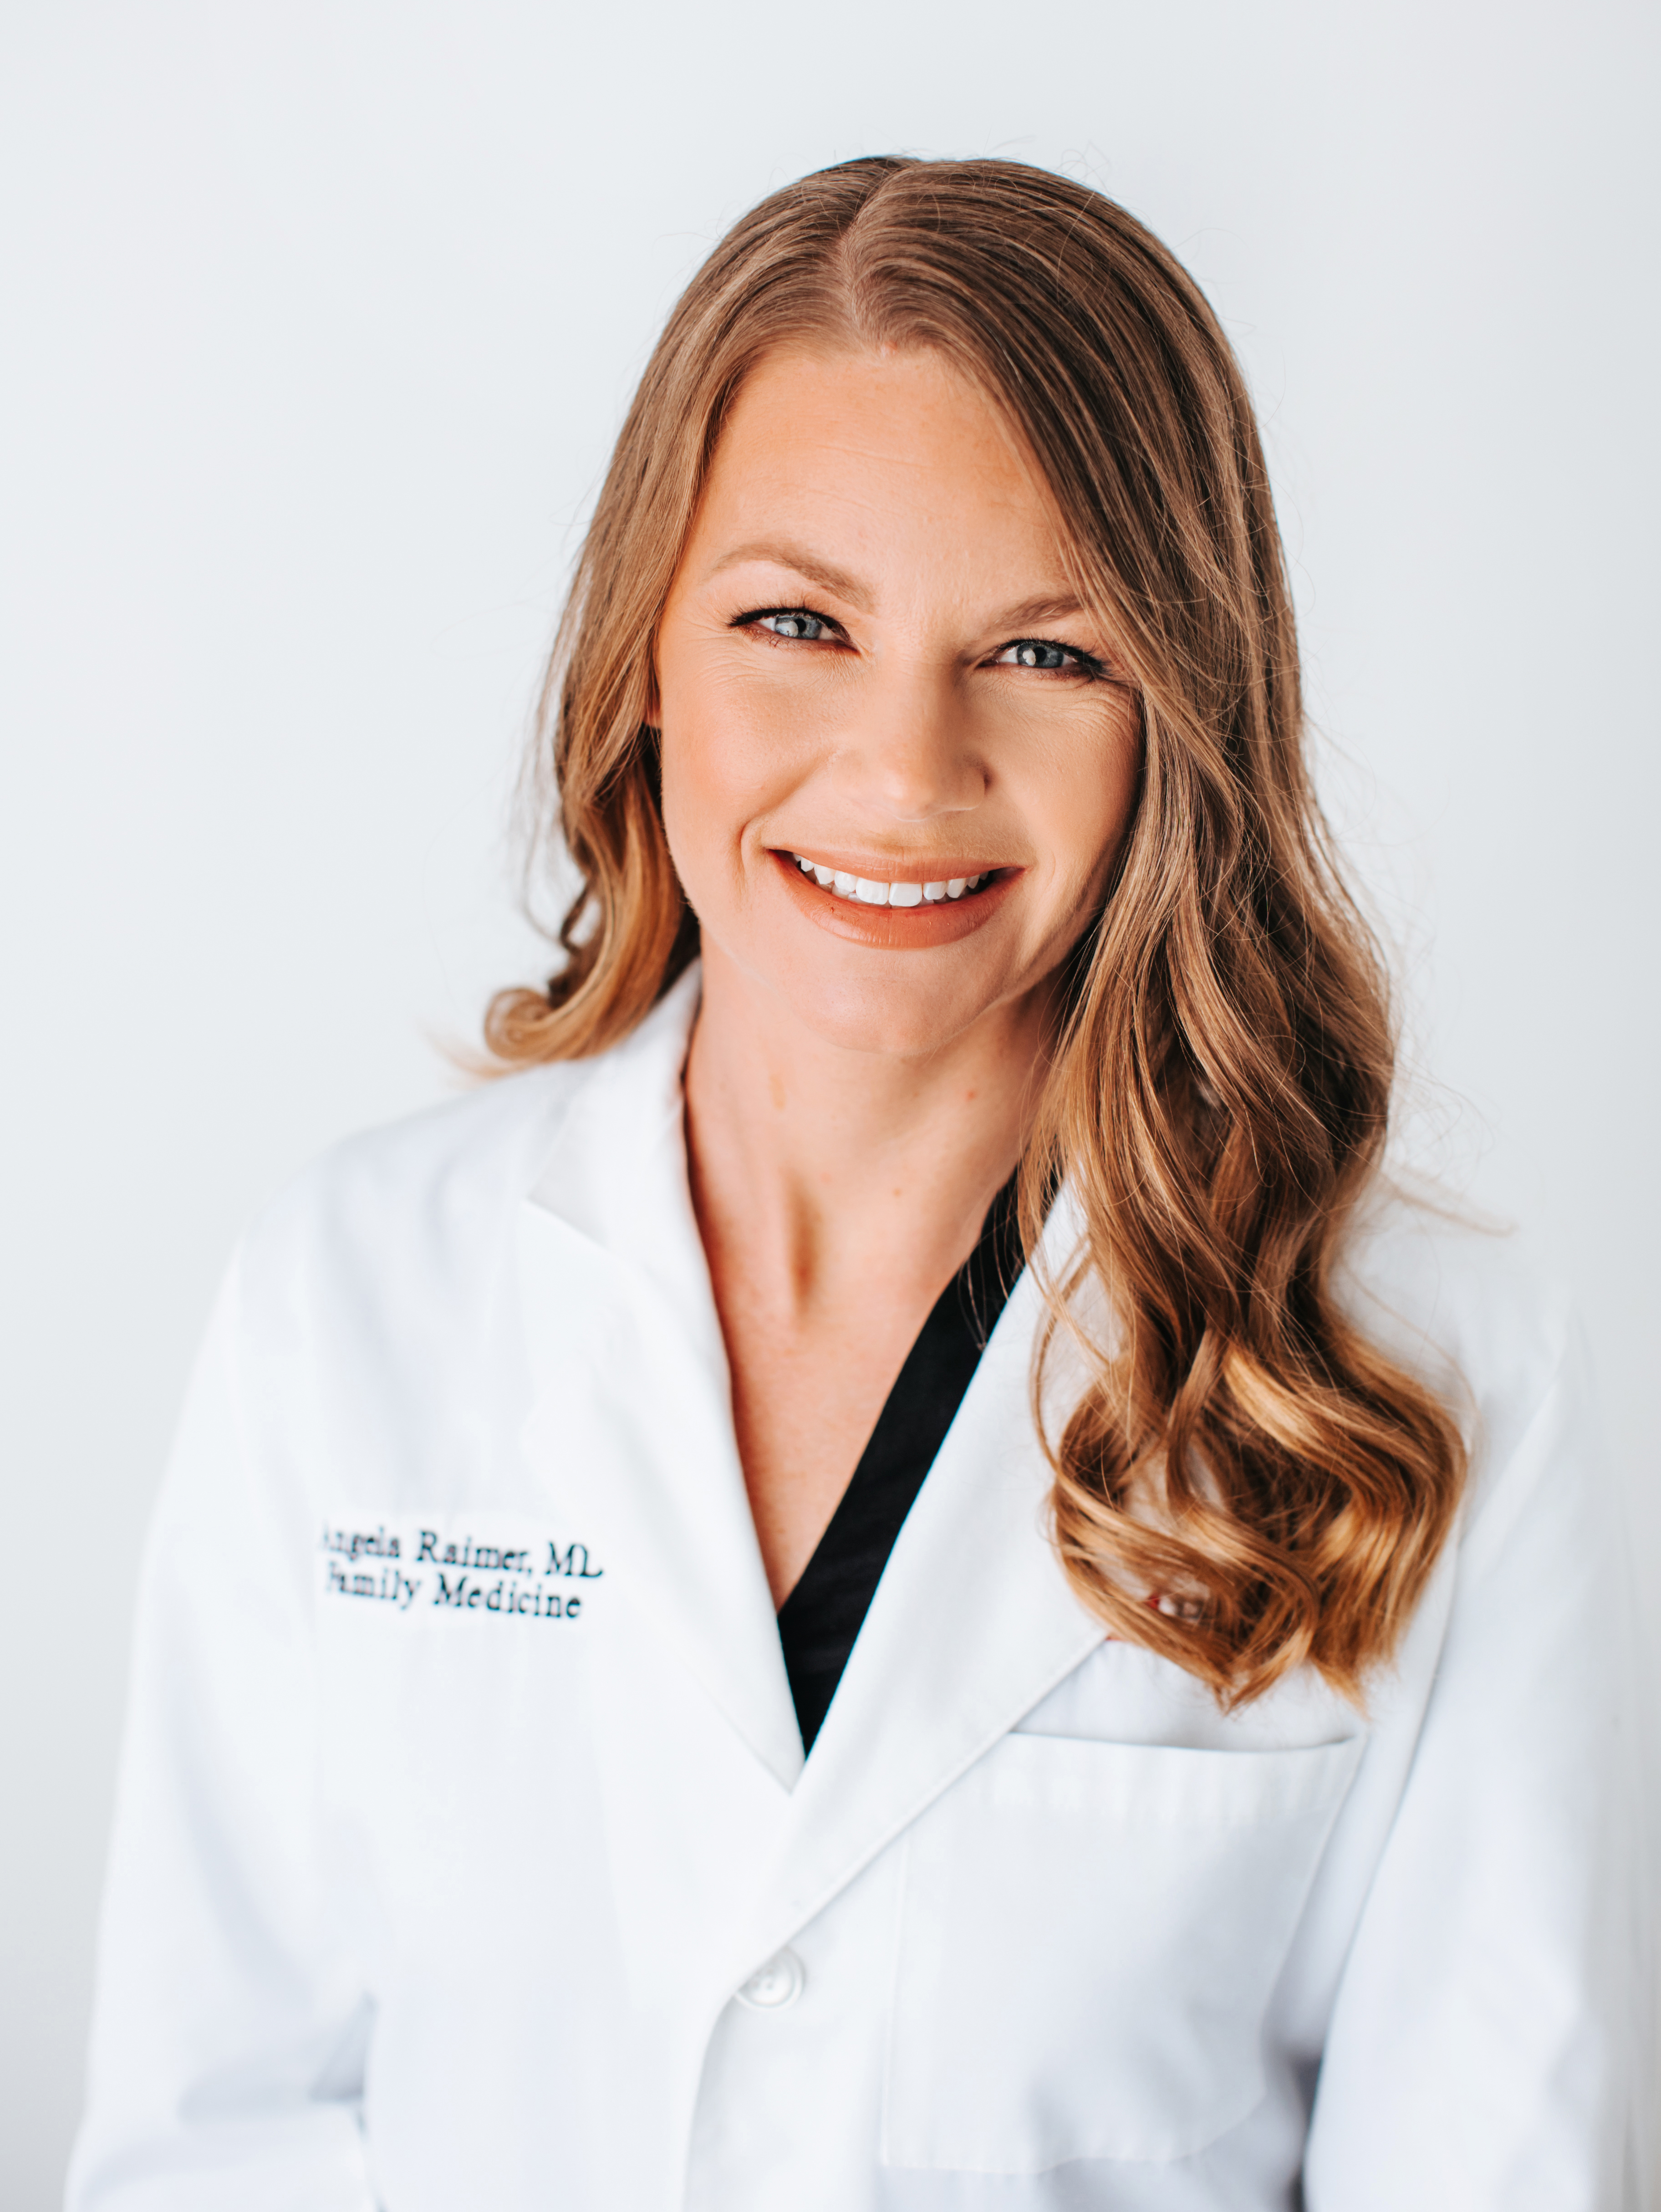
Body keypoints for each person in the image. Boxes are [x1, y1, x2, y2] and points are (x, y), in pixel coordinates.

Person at [68, 156, 1646, 2211]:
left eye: (1049, 656)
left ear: (1187, 713)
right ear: (647, 651)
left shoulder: (1444, 1388)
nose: (907, 770)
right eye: (798, 622)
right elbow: (214, 2144)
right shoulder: (352, 1294)